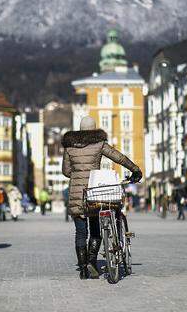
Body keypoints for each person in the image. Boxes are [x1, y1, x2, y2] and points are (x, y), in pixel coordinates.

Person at [61, 116, 142, 279]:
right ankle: (92, 261)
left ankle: (83, 270)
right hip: (94, 192)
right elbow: (118, 157)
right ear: (94, 128)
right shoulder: (99, 144)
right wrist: (135, 169)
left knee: (80, 233)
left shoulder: (69, 146)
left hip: (77, 195)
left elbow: (66, 171)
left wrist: (77, 174)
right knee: (96, 231)